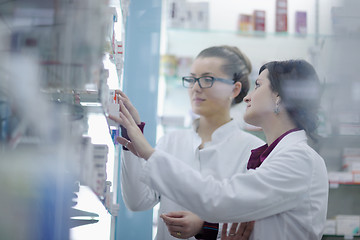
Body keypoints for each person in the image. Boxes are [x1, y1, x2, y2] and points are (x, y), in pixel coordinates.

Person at [110, 59, 329, 240]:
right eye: (193, 79)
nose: (247, 97)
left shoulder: (298, 160)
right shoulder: (270, 156)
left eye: (258, 85)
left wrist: (148, 151)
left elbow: (218, 198)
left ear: (279, 96)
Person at [113, 45, 265, 240]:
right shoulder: (171, 141)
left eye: (207, 79)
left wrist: (204, 226)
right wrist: (129, 135)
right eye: (192, 79)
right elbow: (137, 202)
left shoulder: (252, 150)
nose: (195, 87)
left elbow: (249, 225)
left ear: (234, 89)